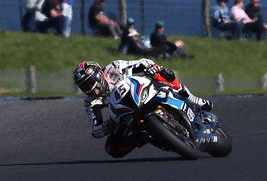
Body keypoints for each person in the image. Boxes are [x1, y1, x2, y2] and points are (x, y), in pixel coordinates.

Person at [73, 59, 213, 158]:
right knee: (112, 149)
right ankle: (144, 136)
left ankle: (192, 98)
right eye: (84, 87)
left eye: (90, 83)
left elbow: (142, 62)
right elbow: (96, 131)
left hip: (143, 91)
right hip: (124, 115)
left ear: (98, 74)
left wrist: (150, 67)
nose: (90, 89)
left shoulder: (114, 67)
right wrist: (107, 126)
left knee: (162, 73)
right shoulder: (91, 103)